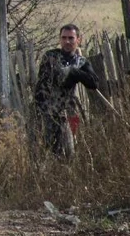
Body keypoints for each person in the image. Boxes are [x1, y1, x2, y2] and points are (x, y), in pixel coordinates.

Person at [34, 24, 98, 157]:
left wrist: (75, 72)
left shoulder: (81, 62)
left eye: (71, 38)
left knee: (68, 153)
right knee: (45, 152)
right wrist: (73, 74)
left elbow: (93, 83)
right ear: (59, 39)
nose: (67, 41)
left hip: (67, 114)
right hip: (46, 112)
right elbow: (56, 80)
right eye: (64, 38)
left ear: (78, 40)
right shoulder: (51, 56)